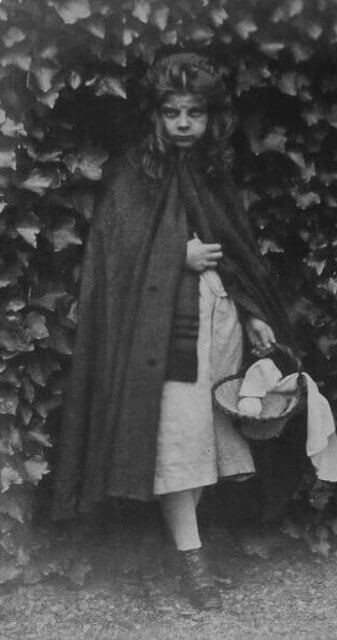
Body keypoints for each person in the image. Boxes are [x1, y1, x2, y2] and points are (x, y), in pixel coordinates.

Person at [51, 52, 303, 611]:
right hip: (159, 333)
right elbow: (112, 260)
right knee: (176, 442)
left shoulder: (213, 172)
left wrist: (253, 311)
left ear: (213, 118)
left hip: (220, 325)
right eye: (172, 112)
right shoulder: (131, 173)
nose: (184, 123)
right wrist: (176, 255)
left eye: (195, 112)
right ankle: (193, 564)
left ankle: (189, 548)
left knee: (212, 435)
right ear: (155, 116)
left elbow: (235, 253)